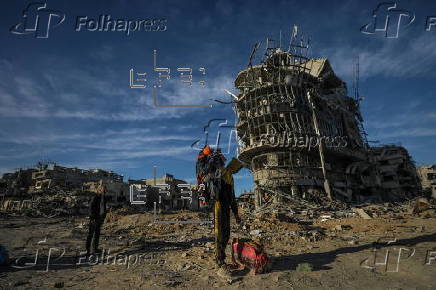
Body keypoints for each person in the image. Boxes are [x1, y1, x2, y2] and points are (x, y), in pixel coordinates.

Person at [196, 146, 243, 277]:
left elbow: (232, 197)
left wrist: (236, 214)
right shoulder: (218, 174)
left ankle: (221, 257)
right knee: (219, 233)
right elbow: (206, 184)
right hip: (218, 205)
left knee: (226, 233)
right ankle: (220, 261)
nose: (236, 171)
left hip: (226, 207)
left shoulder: (229, 177)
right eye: (236, 169)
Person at [86, 180, 107, 255]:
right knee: (91, 234)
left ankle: (95, 249)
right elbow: (91, 207)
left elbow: (103, 208)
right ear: (99, 189)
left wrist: (103, 217)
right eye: (103, 189)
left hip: (99, 218)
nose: (105, 190)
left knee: (97, 234)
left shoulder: (103, 197)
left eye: (105, 189)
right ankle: (88, 251)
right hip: (94, 218)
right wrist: (92, 217)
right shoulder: (95, 196)